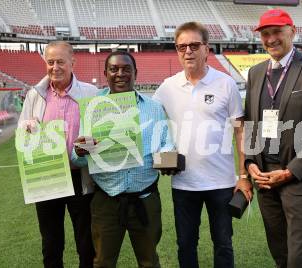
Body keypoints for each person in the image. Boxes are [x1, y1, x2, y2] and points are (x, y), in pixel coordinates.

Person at [153, 22, 252, 268]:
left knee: (223, 243)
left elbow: (241, 131)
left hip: (222, 182)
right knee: (186, 244)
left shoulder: (225, 83)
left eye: (194, 45)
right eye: (181, 46)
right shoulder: (168, 87)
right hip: (184, 183)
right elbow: (147, 118)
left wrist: (242, 175)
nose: (188, 51)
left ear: (206, 48)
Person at [243, 9, 302, 268]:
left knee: (298, 259)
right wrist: (250, 161)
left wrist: (289, 172)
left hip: (299, 179)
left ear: (292, 32)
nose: (270, 39)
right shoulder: (256, 73)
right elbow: (250, 123)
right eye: (265, 34)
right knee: (280, 253)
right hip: (265, 178)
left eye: (276, 32)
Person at [72, 51, 175, 268]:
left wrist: (168, 160)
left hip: (145, 197)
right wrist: (81, 151)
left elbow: (166, 143)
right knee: (103, 262)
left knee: (149, 261)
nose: (120, 74)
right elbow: (78, 158)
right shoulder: (92, 108)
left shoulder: (153, 107)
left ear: (135, 73)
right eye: (114, 69)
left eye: (126, 69)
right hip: (107, 199)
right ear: (105, 73)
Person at [18, 41, 97, 268]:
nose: (55, 67)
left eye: (60, 61)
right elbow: (22, 133)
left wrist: (90, 144)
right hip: (46, 175)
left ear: (73, 62)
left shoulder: (91, 93)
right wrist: (26, 129)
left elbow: (100, 134)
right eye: (50, 62)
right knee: (51, 242)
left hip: (80, 176)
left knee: (86, 242)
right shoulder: (35, 95)